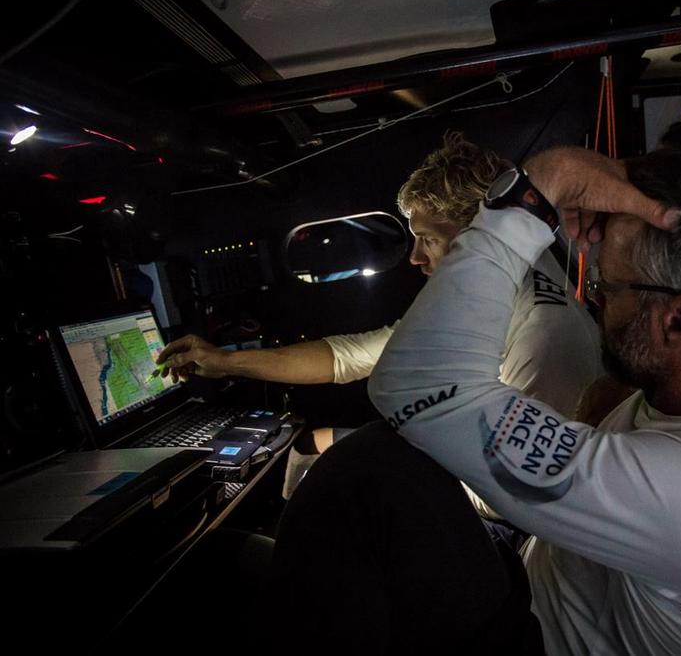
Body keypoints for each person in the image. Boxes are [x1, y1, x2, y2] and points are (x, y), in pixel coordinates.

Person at [359, 143, 681, 655]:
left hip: (530, 637)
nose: (595, 302)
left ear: (679, 320)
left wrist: (534, 191)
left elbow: (413, 388)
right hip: (531, 589)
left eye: (606, 288)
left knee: (367, 470)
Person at [156, 132, 603, 494]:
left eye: (428, 239)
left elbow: (520, 491)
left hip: (507, 517)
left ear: (475, 234)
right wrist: (227, 361)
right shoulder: (509, 279)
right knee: (315, 444)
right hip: (486, 468)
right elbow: (350, 356)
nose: (414, 257)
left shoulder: (537, 335)